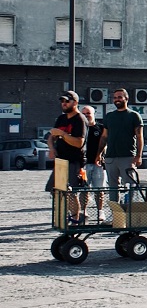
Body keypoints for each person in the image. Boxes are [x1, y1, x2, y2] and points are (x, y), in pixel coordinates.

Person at [47, 91, 88, 224]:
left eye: (67, 101)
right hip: (60, 161)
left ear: (75, 103)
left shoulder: (80, 119)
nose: (64, 104)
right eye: (62, 101)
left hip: (74, 160)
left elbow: (79, 143)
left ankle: (76, 219)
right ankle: (62, 216)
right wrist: (52, 148)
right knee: (55, 190)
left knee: (71, 192)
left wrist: (62, 134)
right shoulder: (61, 118)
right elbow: (51, 137)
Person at [103, 88, 143, 202]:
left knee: (130, 185)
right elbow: (104, 137)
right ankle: (115, 213)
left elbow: (139, 137)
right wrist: (99, 153)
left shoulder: (134, 116)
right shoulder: (109, 116)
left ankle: (129, 210)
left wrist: (139, 156)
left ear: (126, 98)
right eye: (115, 98)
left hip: (127, 156)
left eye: (120, 97)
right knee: (112, 187)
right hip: (110, 157)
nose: (117, 100)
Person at [79, 105, 106, 217]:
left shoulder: (100, 128)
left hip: (98, 164)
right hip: (83, 164)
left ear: (94, 114)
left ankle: (100, 211)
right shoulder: (79, 129)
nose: (86, 116)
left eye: (88, 113)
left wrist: (101, 155)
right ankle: (83, 211)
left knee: (99, 190)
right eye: (84, 114)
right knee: (84, 189)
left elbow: (105, 143)